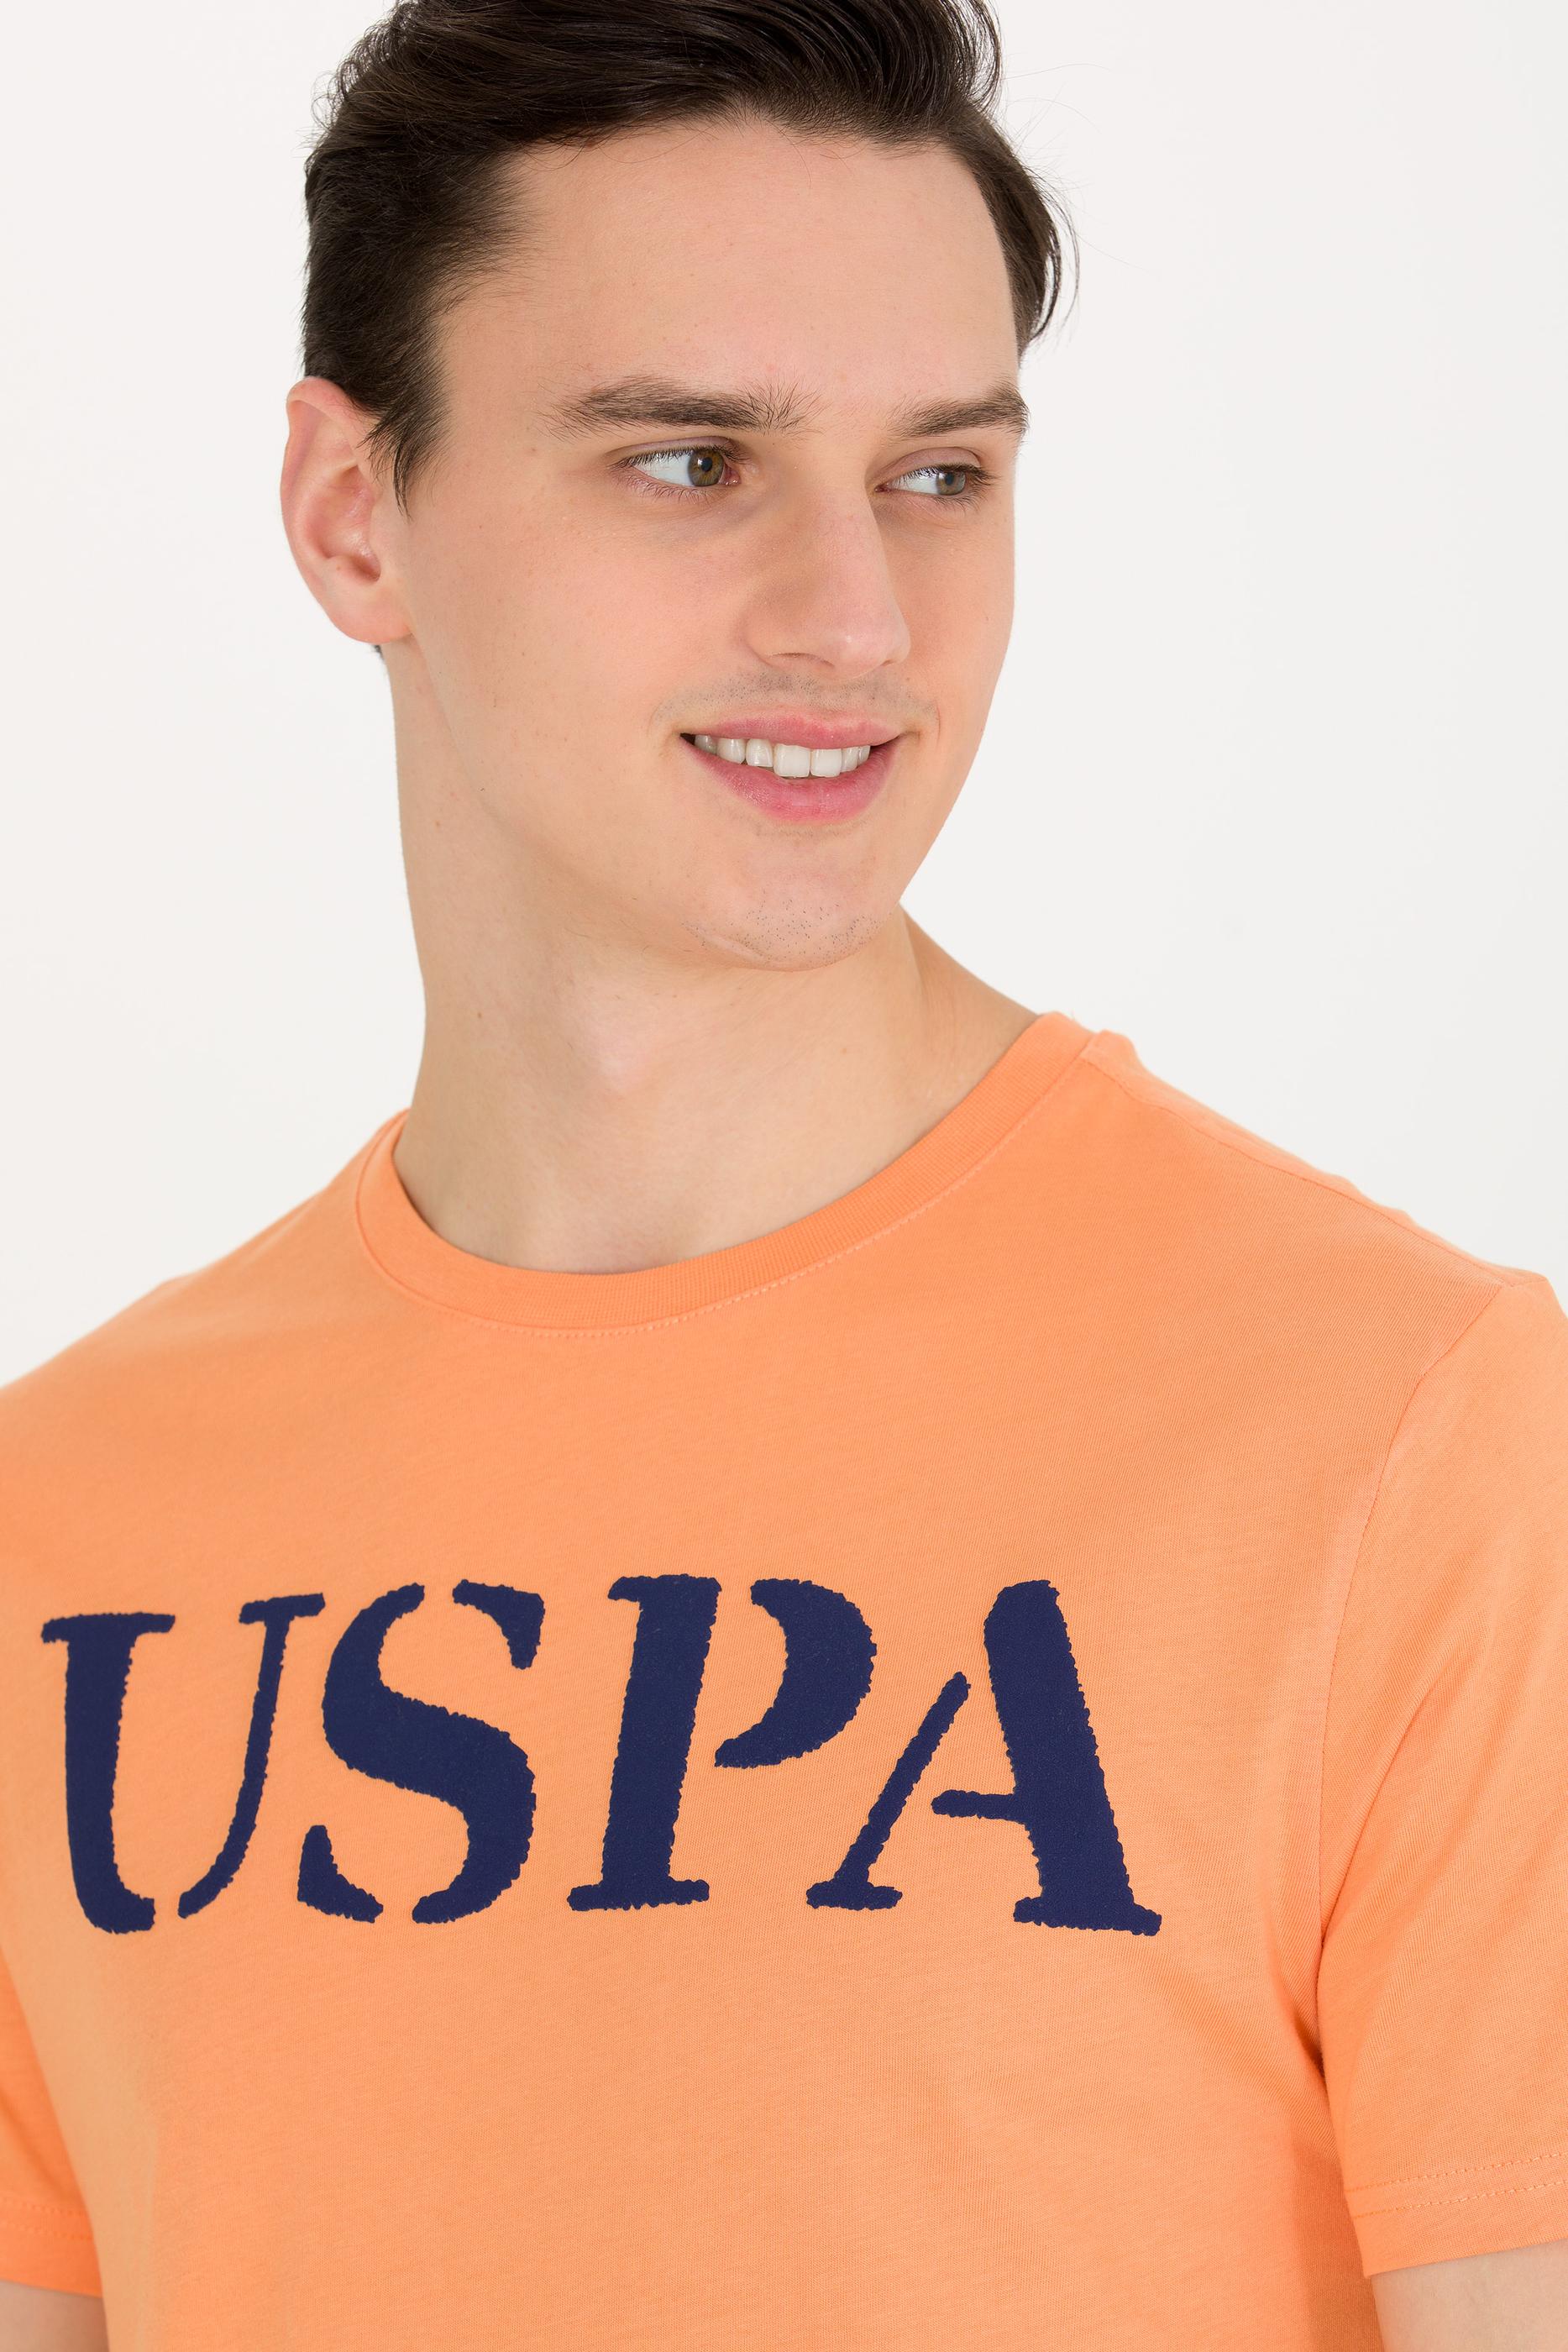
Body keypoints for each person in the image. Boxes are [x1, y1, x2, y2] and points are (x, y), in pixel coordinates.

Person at [1, 1, 1565, 2345]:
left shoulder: (1401, 1434)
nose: (855, 620)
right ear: (351, 513)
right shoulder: (64, 1525)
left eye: (936, 476)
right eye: (688, 461)